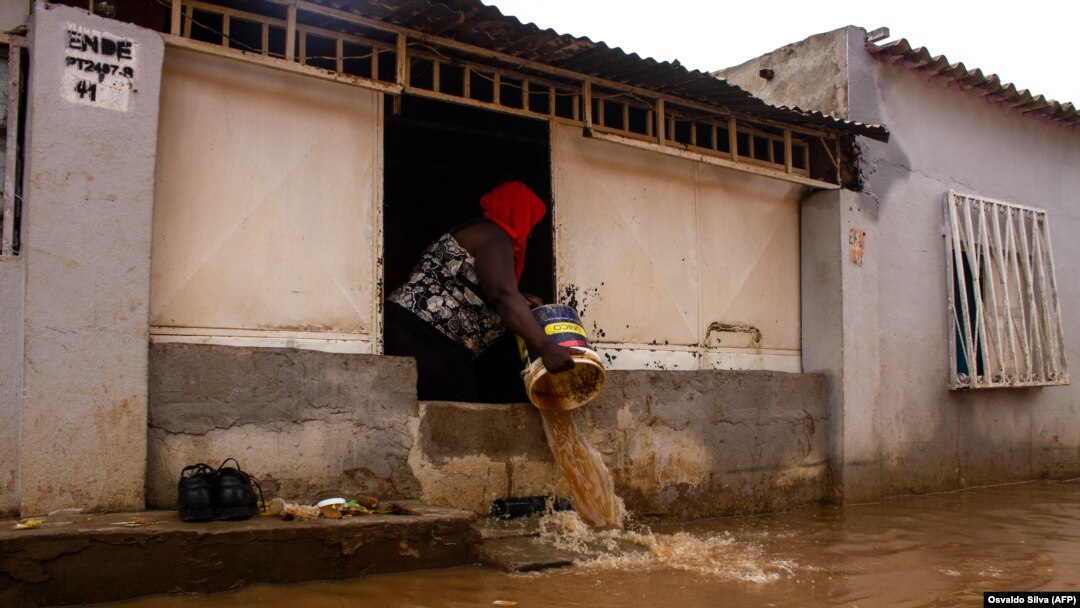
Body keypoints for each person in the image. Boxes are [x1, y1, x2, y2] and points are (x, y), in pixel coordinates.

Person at [385, 181, 575, 401]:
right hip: (430, 340)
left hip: (409, 329)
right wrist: (546, 347)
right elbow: (502, 294)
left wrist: (519, 298)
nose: (530, 235)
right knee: (457, 422)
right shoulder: (495, 236)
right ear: (517, 213)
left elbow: (474, 285)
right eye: (529, 223)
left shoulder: (478, 232)